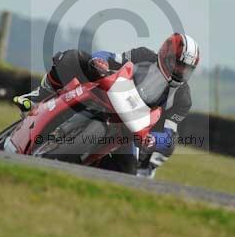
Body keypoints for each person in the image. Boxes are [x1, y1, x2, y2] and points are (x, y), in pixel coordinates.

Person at [13, 33, 199, 178]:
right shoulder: (143, 55)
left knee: (128, 174)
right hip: (108, 97)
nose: (180, 72)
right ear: (167, 55)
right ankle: (37, 96)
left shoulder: (183, 97)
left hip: (131, 130)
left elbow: (169, 136)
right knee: (72, 58)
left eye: (186, 69)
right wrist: (99, 60)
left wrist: (153, 140)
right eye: (179, 65)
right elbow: (112, 57)